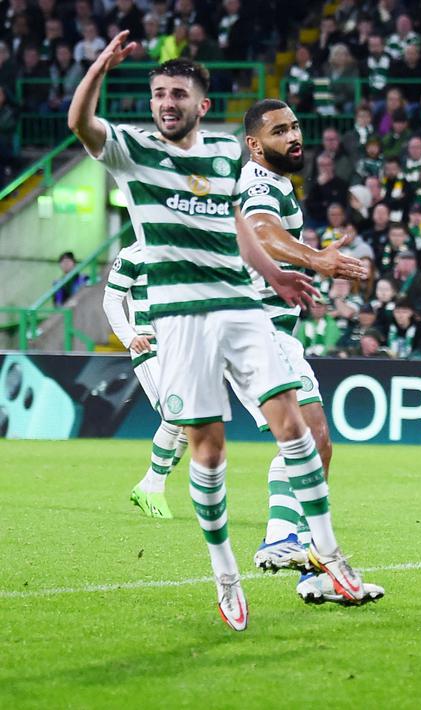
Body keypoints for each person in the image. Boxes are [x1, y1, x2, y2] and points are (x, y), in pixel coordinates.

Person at [68, 41, 370, 630]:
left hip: (239, 308)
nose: (166, 102)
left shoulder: (224, 160)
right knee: (208, 453)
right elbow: (81, 123)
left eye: (178, 93)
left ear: (202, 106)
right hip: (181, 320)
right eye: (158, 93)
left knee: (299, 427)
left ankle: (330, 557)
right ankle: (226, 575)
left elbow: (242, 228)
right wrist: (98, 72)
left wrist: (279, 272)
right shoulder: (133, 151)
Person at [234, 99, 384, 607]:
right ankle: (283, 539)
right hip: (256, 328)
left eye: (296, 127)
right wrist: (315, 258)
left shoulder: (275, 185)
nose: (294, 136)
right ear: (256, 144)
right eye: (280, 131)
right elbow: (260, 230)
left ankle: (309, 567)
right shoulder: (259, 184)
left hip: (264, 328)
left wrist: (307, 252)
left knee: (312, 442)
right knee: (312, 437)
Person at [102, 243, 190, 518]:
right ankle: (153, 488)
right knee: (175, 413)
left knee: (191, 425)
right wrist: (129, 338)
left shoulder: (180, 250)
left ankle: (149, 483)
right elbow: (111, 300)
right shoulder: (132, 255)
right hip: (147, 347)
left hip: (179, 347)